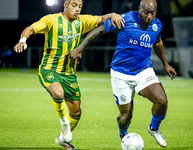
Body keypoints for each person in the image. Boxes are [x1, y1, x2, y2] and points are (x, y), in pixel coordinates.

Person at [14, 0, 125, 149]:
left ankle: (62, 139)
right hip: (49, 69)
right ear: (65, 5)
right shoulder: (51, 20)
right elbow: (30, 28)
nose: (77, 9)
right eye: (74, 5)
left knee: (76, 112)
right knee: (58, 93)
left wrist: (113, 14)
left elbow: (101, 18)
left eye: (79, 6)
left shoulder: (82, 21)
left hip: (69, 74)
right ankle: (64, 123)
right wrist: (23, 40)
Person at [66, 0, 177, 148]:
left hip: (143, 71)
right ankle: (124, 136)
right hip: (121, 74)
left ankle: (154, 128)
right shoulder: (125, 19)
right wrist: (80, 48)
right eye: (146, 12)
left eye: (153, 13)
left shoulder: (157, 25)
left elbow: (157, 42)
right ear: (139, 9)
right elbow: (99, 30)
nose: (149, 16)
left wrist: (165, 64)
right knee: (126, 117)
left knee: (162, 101)